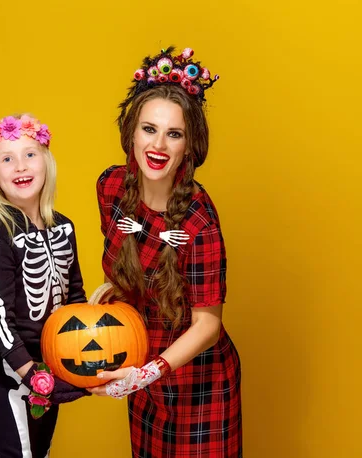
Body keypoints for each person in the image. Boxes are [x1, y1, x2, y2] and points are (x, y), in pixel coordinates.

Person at [89, 47, 242, 457]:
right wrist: (114, 287)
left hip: (199, 383)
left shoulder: (199, 218)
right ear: (130, 133)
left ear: (189, 145)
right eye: (148, 129)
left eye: (173, 134)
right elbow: (131, 256)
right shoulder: (110, 188)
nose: (158, 145)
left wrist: (146, 373)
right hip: (142, 370)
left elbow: (207, 325)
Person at [0, 114, 88, 458]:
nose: (20, 166)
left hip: (49, 362)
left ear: (46, 163)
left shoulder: (63, 227)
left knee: (40, 451)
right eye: (7, 159)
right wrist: (29, 372)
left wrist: (79, 357)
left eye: (30, 154)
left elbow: (73, 294)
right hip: (6, 369)